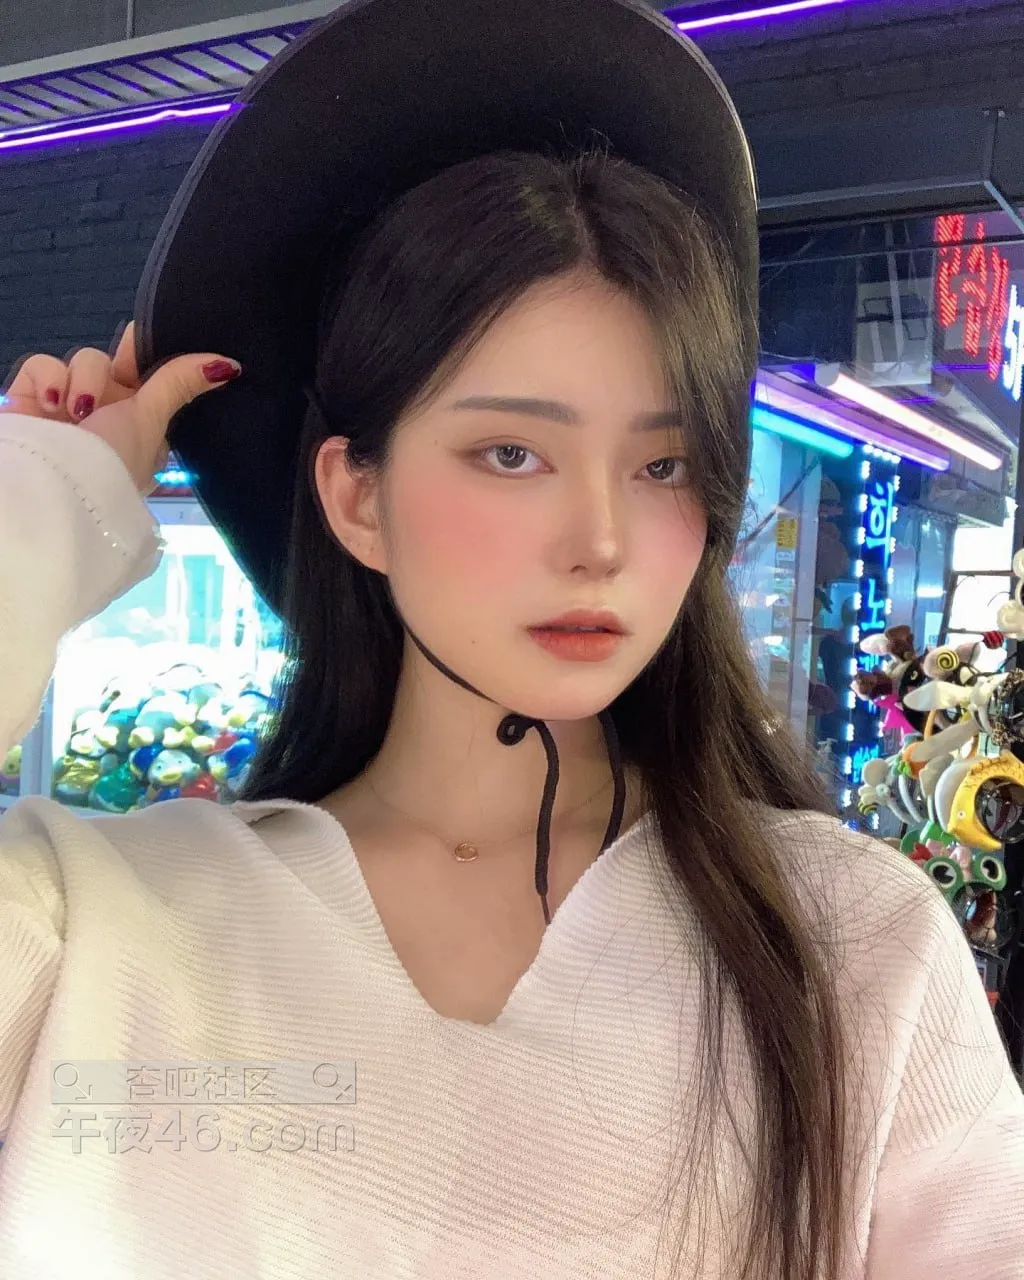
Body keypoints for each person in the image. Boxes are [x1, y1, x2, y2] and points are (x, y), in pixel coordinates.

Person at [1, 1, 1022, 1277]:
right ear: (356, 496)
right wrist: (42, 500)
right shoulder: (90, 923)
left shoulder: (850, 944)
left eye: (661, 464)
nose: (600, 538)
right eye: (510, 452)